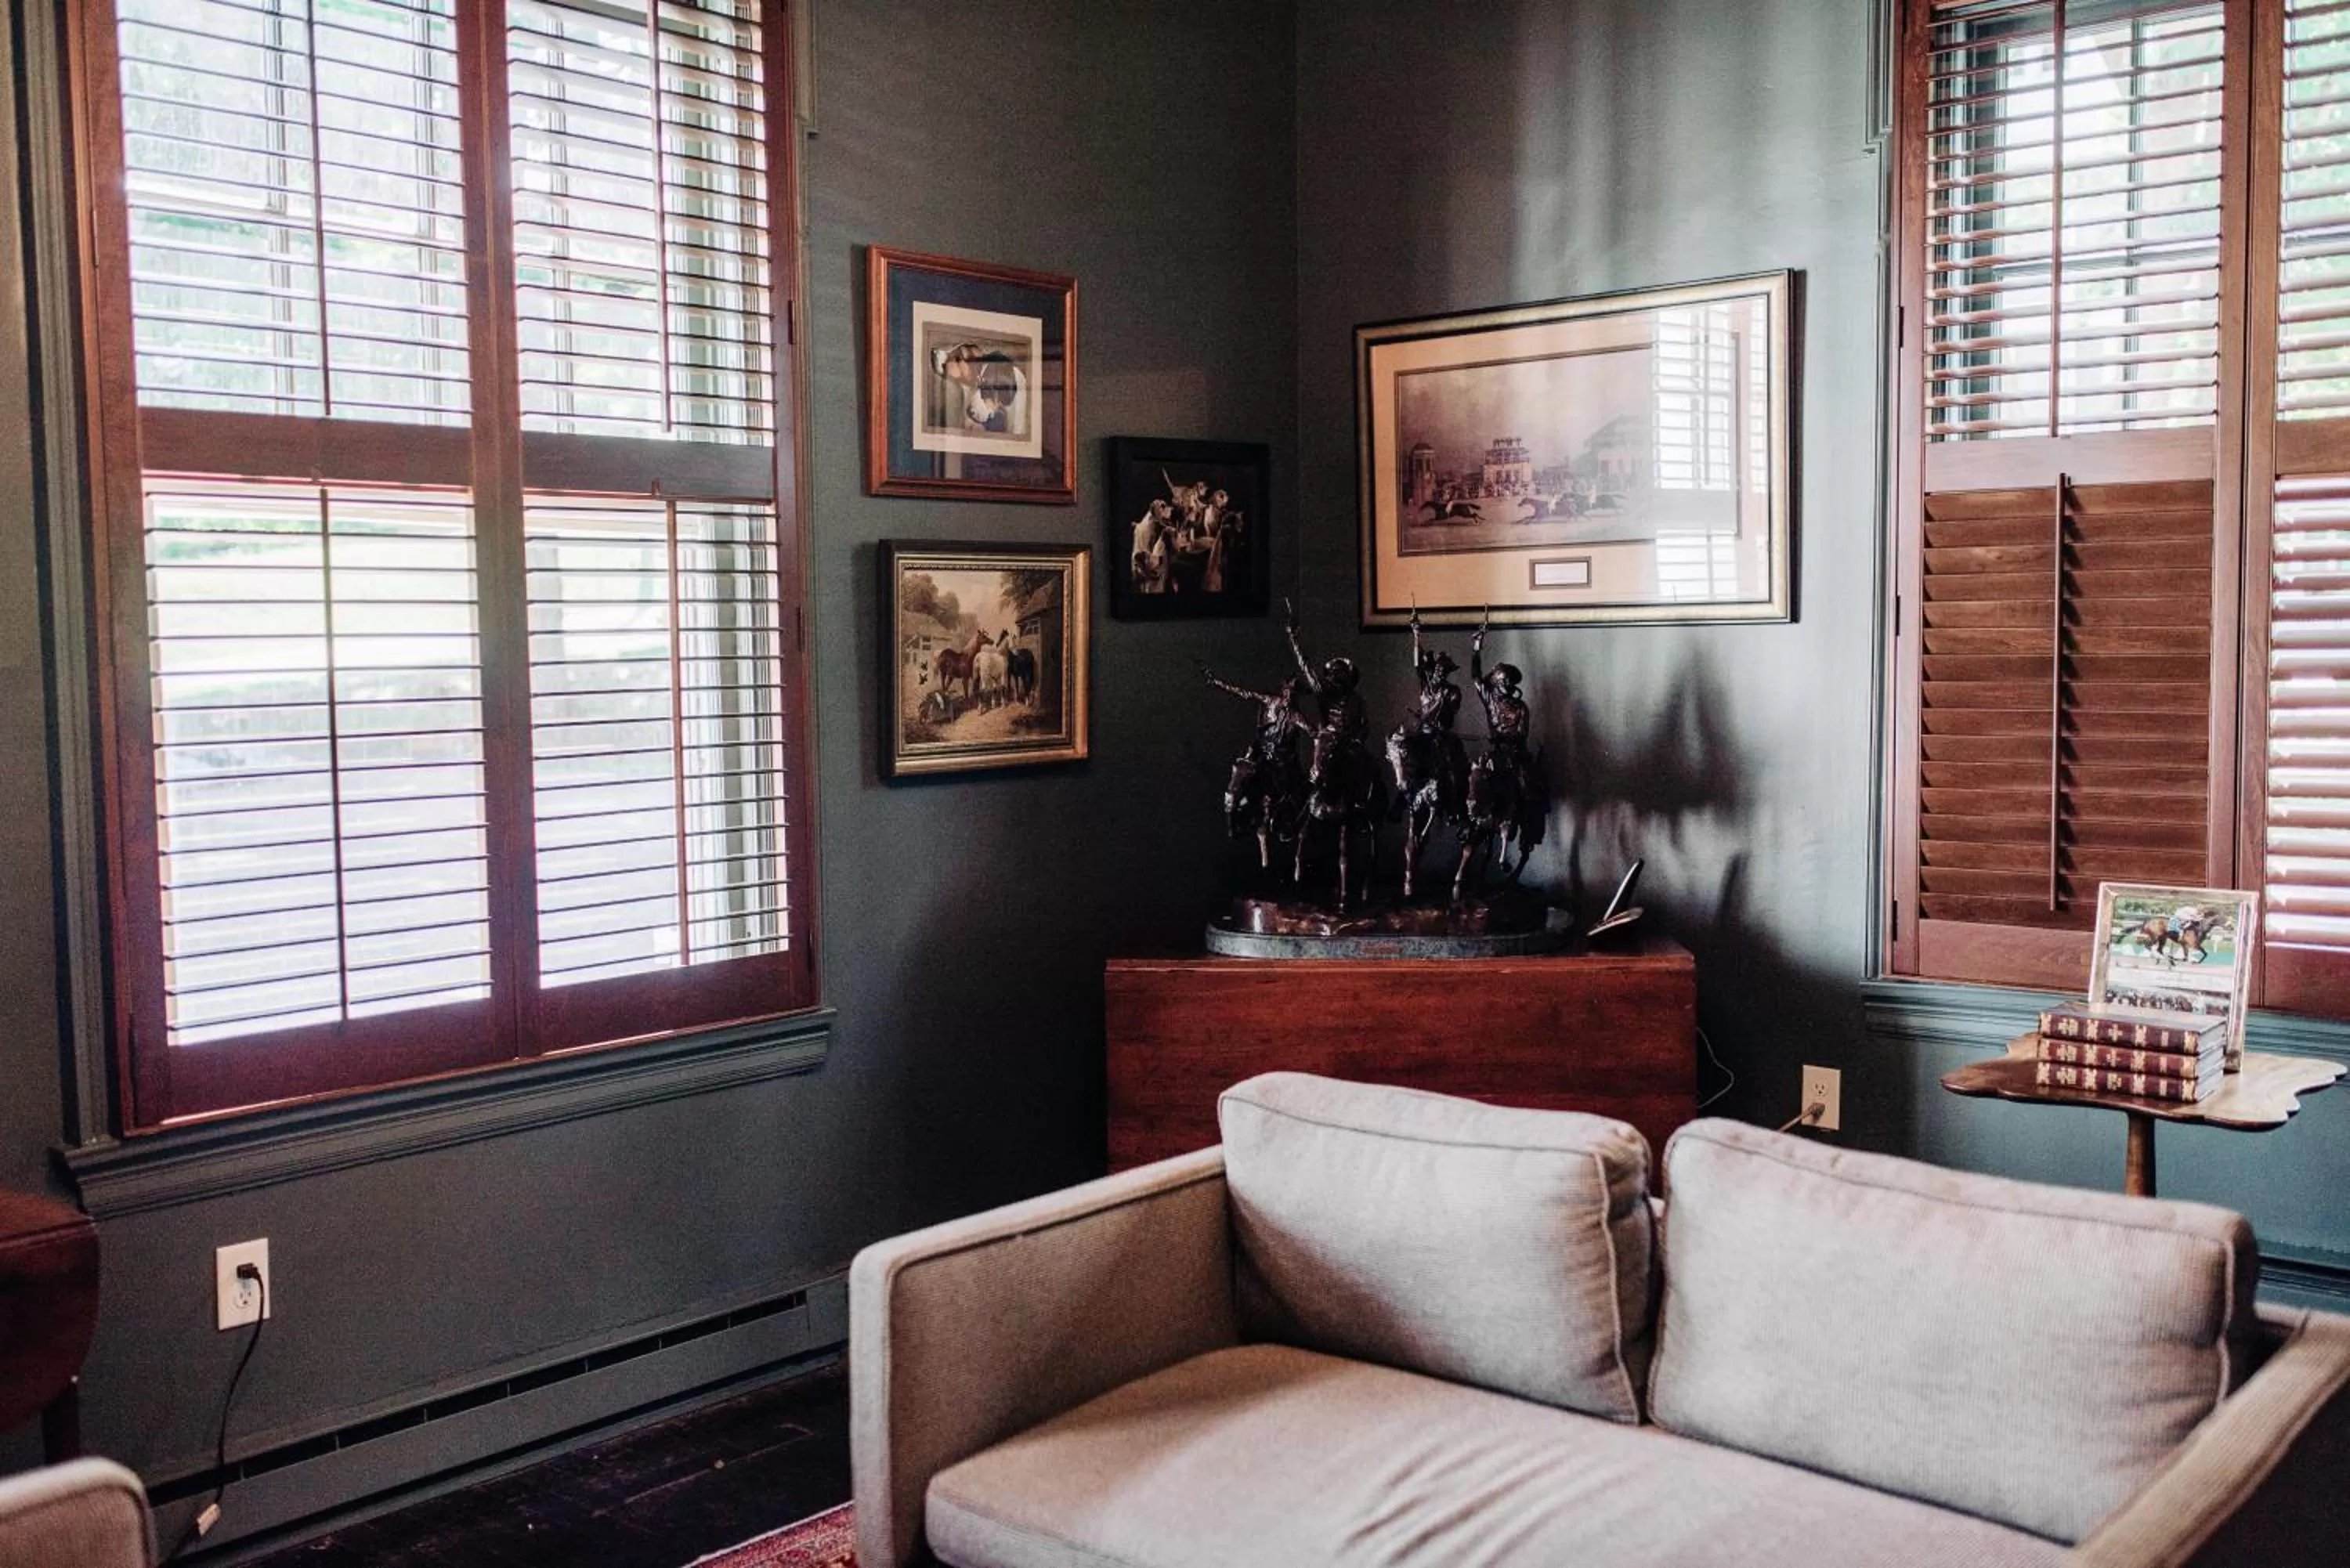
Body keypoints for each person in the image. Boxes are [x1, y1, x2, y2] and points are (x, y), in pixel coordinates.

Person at [1131, 500, 1172, 593]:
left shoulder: (1151, 525)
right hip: (1148, 575)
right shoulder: (1146, 527)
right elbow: (1140, 557)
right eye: (1162, 508)